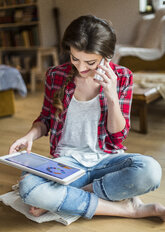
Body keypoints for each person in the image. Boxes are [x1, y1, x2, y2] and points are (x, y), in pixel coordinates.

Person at [9, 15, 165, 221]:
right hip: (67, 164)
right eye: (75, 58)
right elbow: (46, 119)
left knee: (151, 171)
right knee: (28, 187)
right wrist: (29, 136)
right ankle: (129, 210)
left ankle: (67, 198)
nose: (81, 68)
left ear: (107, 56)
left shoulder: (123, 77)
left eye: (90, 62)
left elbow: (118, 138)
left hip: (108, 160)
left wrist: (111, 97)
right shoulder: (56, 75)